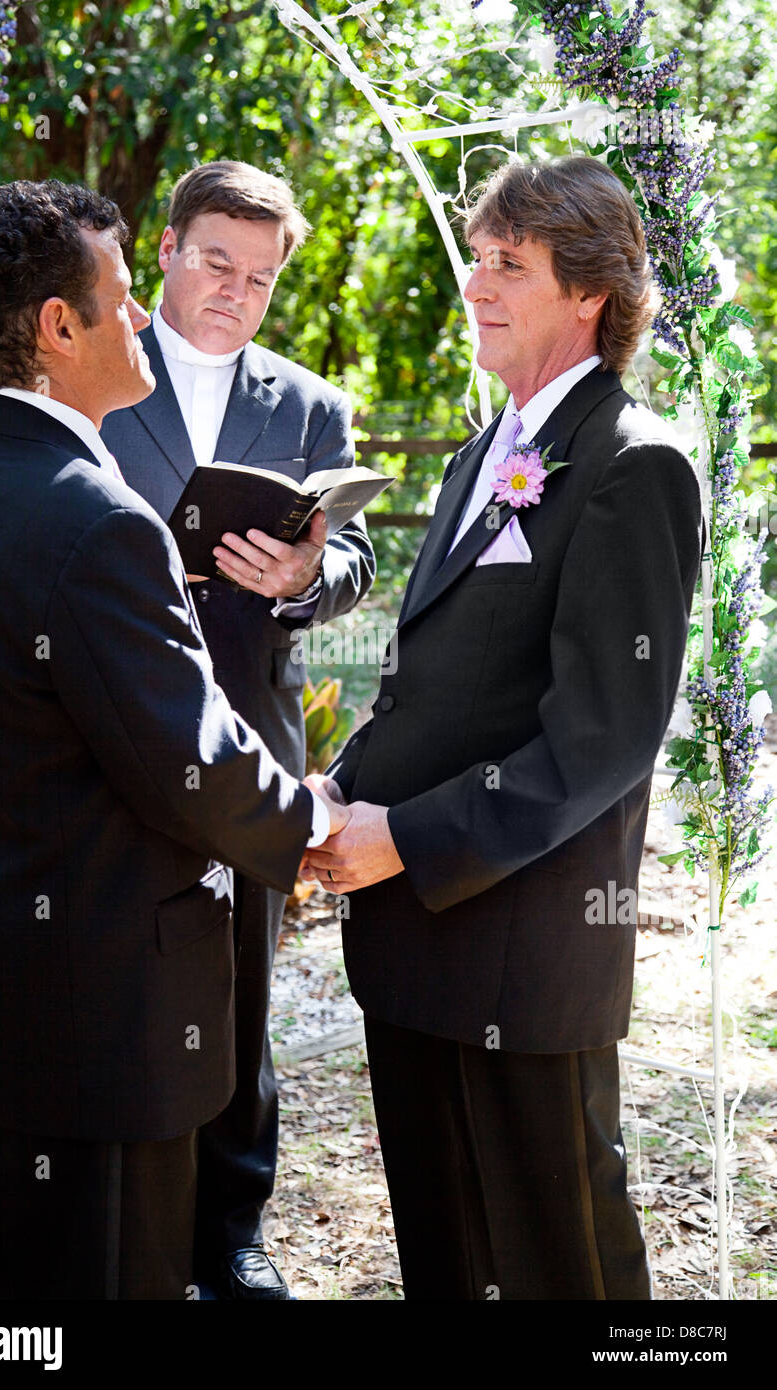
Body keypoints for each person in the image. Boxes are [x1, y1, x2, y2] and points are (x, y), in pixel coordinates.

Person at [0, 178, 347, 1301]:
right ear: (60, 329)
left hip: (18, 975)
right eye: (122, 295)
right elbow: (188, 760)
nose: (146, 315)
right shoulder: (95, 517)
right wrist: (316, 823)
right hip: (114, 1008)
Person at [302, 156, 704, 1300]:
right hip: (409, 943)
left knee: (554, 1259)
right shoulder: (493, 449)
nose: (477, 283)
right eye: (478, 257)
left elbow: (604, 738)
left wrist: (408, 838)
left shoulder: (636, 465)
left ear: (589, 293)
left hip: (524, 954)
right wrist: (340, 790)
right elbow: (433, 675)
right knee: (448, 1255)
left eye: (509, 266)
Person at [101, 160, 375, 1300]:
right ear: (165, 249)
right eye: (218, 262)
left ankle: (234, 1235)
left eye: (260, 278)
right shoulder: (95, 372)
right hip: (116, 728)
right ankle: (132, 1239)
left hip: (253, 733)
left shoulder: (306, 401)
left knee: (241, 996)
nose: (236, 291)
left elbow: (358, 558)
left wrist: (311, 574)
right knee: (124, 979)